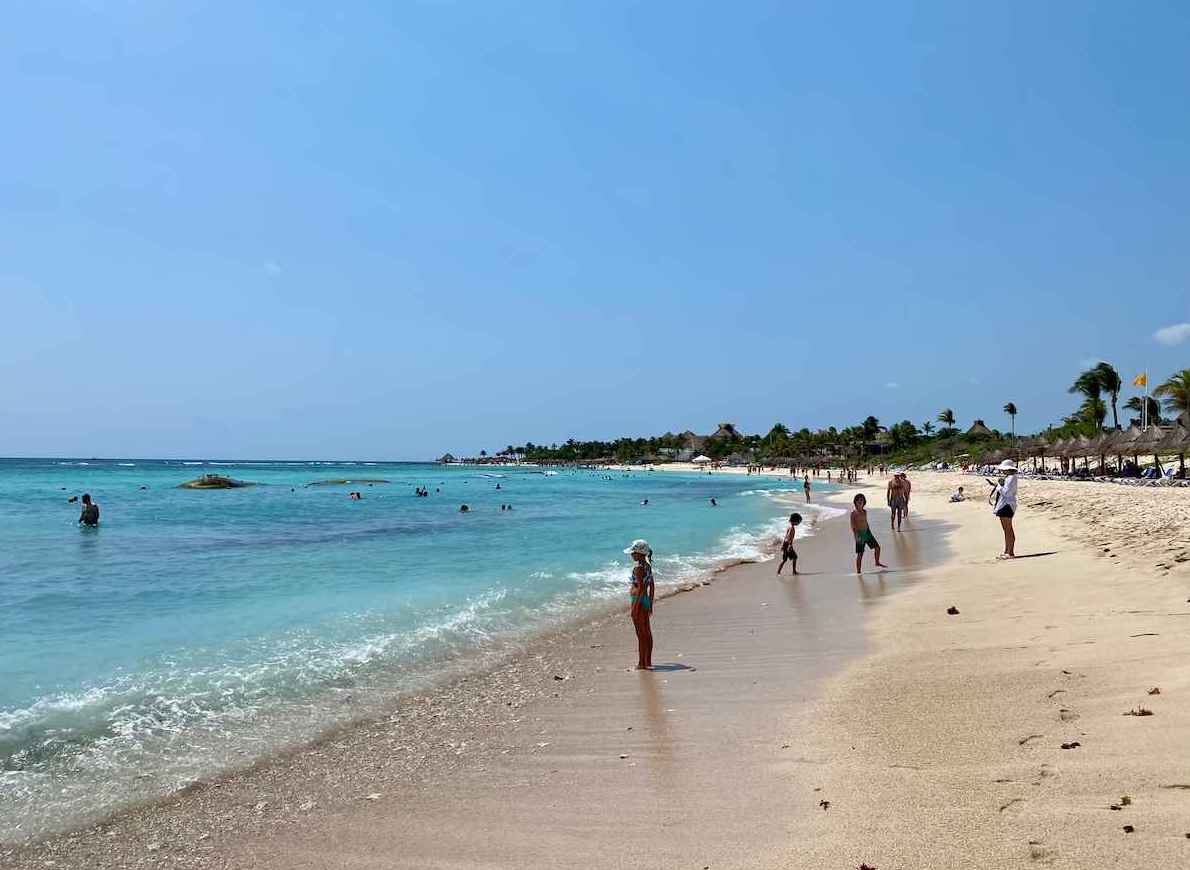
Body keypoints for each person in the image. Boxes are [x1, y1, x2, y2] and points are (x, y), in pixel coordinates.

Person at [625, 539, 655, 670]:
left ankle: (641, 663)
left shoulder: (638, 568)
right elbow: (651, 586)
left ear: (639, 553)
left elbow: (641, 588)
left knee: (640, 633)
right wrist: (650, 604)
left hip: (638, 600)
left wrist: (635, 608)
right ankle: (647, 661)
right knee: (647, 632)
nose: (631, 555)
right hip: (645, 600)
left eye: (633, 552)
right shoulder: (647, 565)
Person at [850, 494, 886, 574]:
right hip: (859, 534)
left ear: (864, 503)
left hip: (867, 532)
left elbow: (866, 523)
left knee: (877, 548)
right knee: (860, 554)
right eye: (858, 501)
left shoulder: (865, 512)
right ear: (855, 502)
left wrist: (869, 532)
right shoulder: (853, 513)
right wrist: (856, 536)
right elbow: (853, 526)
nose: (860, 502)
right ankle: (858, 571)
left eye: (861, 501)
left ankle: (877, 562)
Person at [991, 459, 1018, 558]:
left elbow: (1006, 492)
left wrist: (998, 486)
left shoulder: (1011, 478)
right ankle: (1007, 551)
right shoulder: (1010, 478)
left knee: (1008, 529)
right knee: (1006, 529)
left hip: (1007, 505)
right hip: (1006, 504)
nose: (1002, 471)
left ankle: (1010, 552)